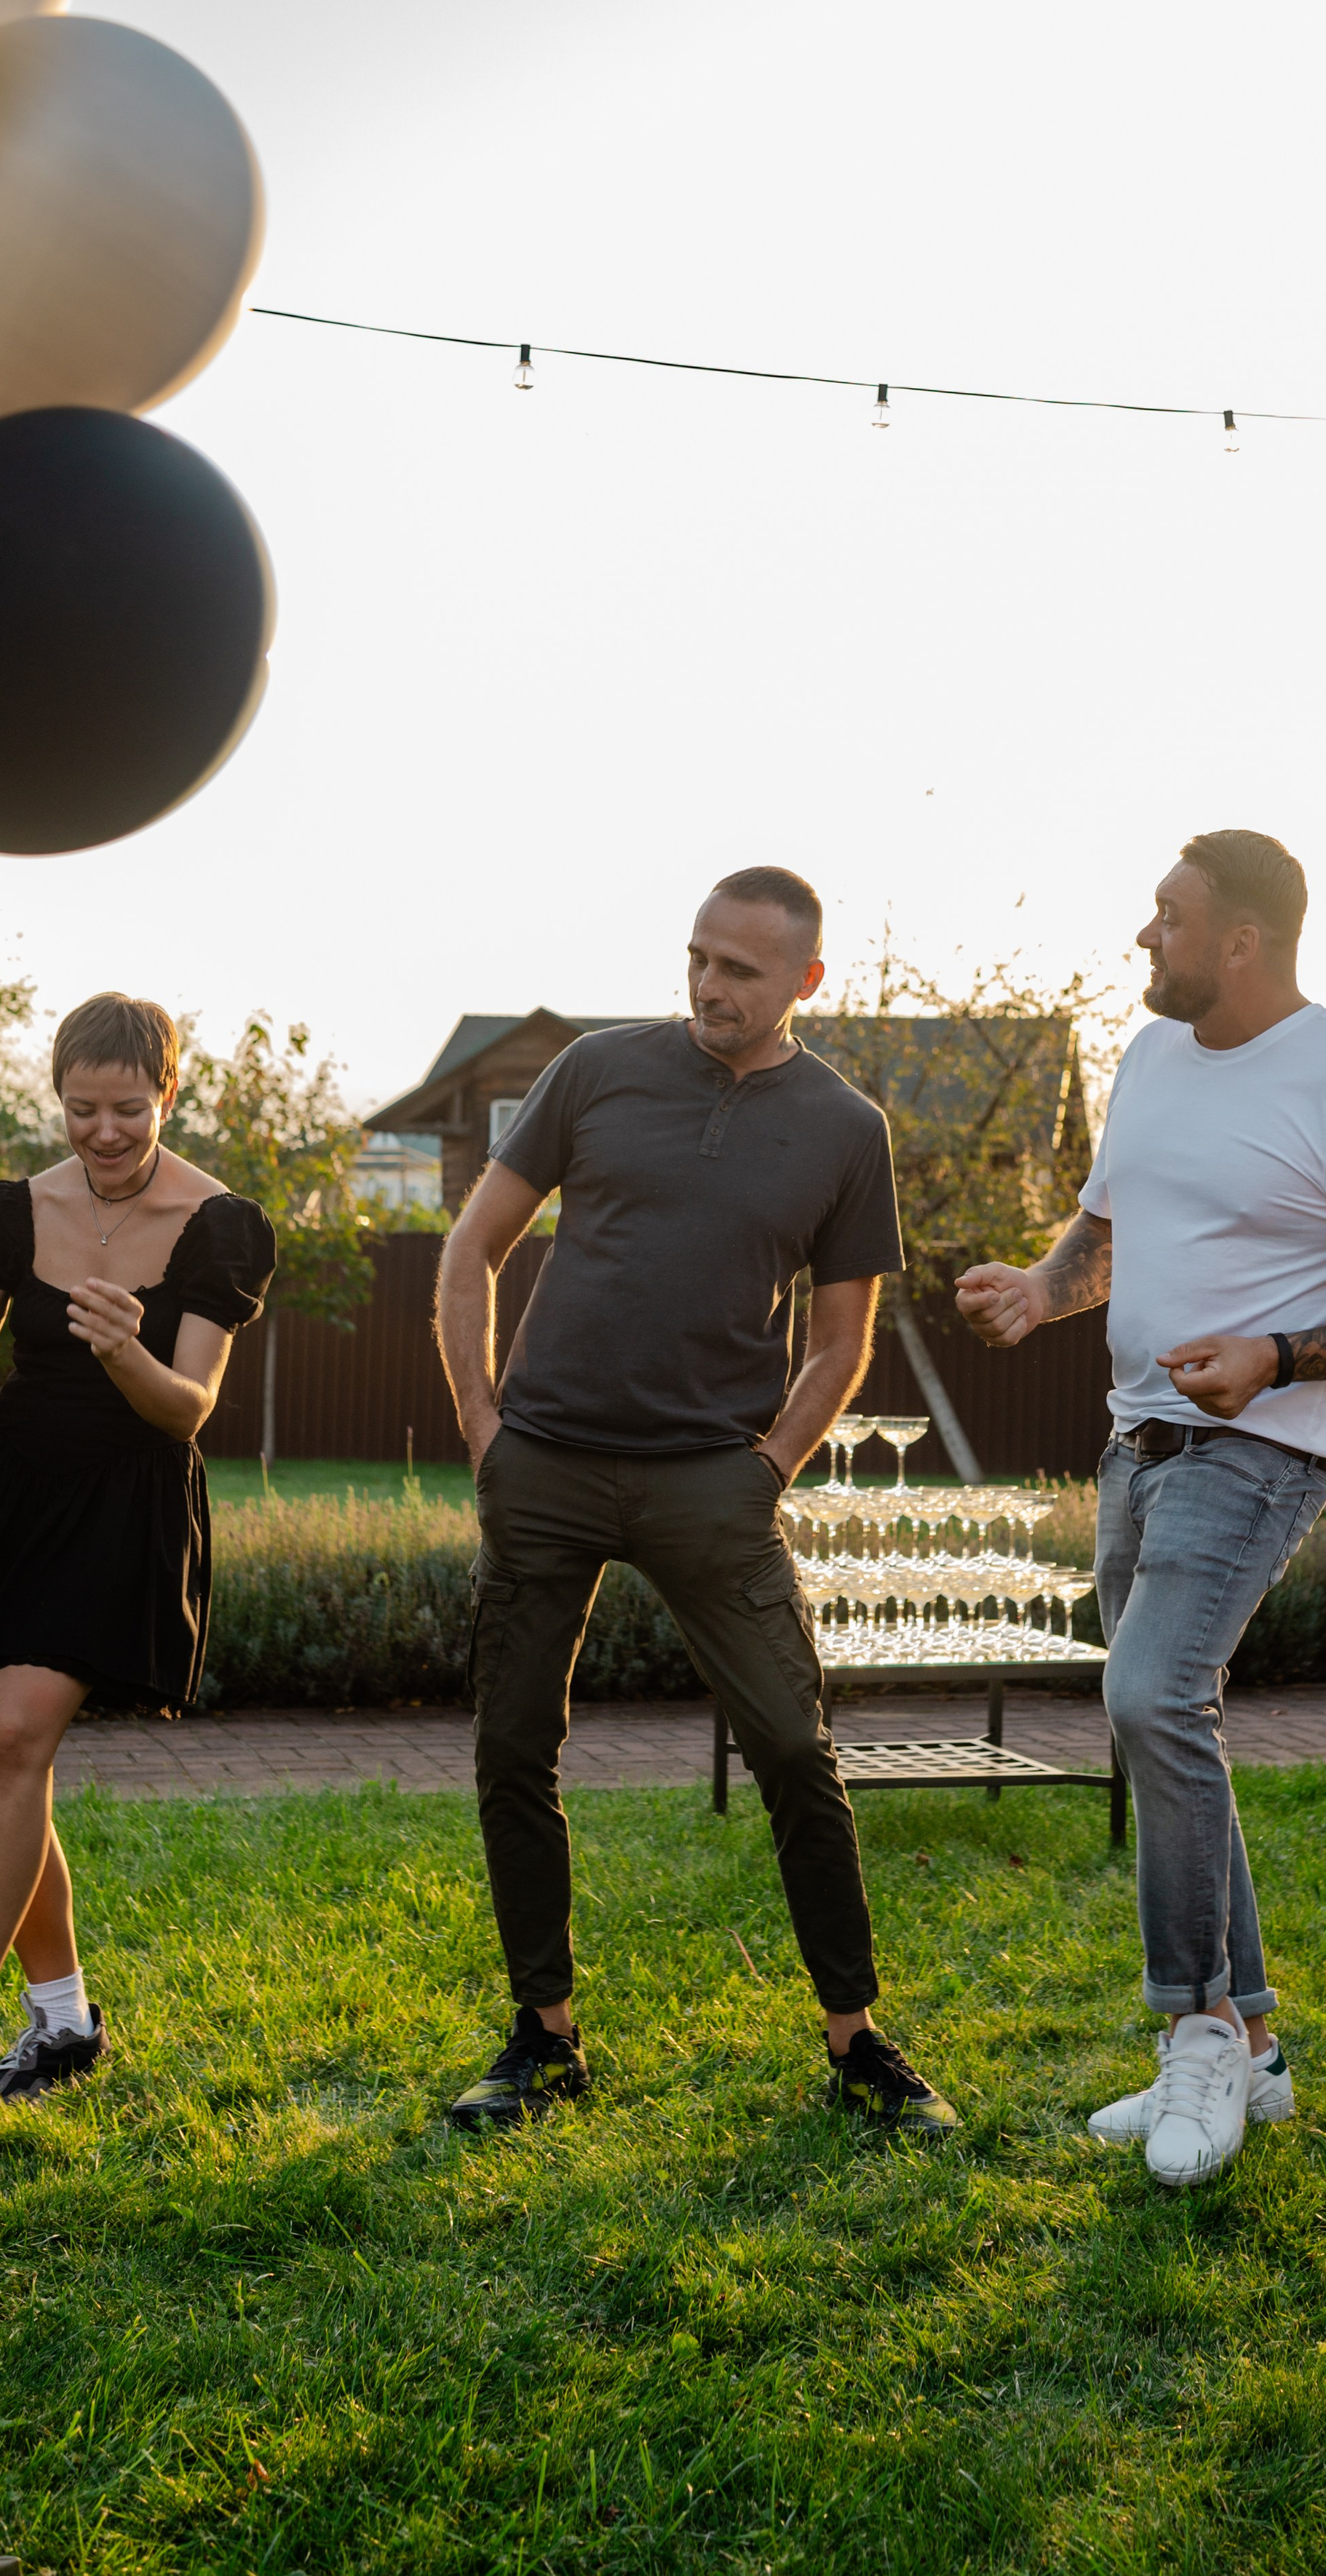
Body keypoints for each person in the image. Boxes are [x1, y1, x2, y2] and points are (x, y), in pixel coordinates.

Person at [956, 830, 1326, 2187]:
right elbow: (1107, 1231)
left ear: (1241, 939)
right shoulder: (1147, 1061)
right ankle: (1252, 2042)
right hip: (1137, 1444)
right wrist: (1038, 1284)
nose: (1145, 935)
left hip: (1258, 1450)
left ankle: (1195, 2033)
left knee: (1147, 1697)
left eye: (1168, 915)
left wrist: (1285, 1355)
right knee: (1165, 1713)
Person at [433, 865, 956, 2136]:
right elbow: (472, 1246)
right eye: (700, 959)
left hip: (712, 1484)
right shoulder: (597, 1071)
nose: (711, 987)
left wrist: (767, 1465)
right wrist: (484, 1425)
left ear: (805, 984)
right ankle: (542, 2039)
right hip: (544, 1462)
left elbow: (842, 1344)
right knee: (514, 1749)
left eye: (743, 971)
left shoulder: (846, 1128)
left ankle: (856, 2039)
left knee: (793, 1748)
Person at [0, 993, 276, 2142]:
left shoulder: (219, 1222)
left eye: (129, 1109)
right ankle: (66, 2023)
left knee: (10, 1739)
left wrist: (126, 1348)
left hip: (120, 1506)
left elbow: (186, 1407)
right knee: (6, 1776)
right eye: (83, 1107)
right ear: (60, 1094)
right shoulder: (13, 1209)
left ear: (169, 1093)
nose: (104, 1131)